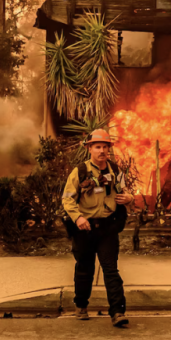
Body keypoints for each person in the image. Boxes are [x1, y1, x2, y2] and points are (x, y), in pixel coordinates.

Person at [62, 129, 134, 327]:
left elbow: (125, 191)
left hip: (107, 228)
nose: (102, 150)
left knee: (111, 270)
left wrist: (129, 198)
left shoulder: (115, 171)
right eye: (98, 147)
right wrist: (77, 218)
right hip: (84, 229)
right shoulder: (80, 172)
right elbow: (67, 200)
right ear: (89, 149)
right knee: (84, 269)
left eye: (105, 147)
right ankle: (81, 306)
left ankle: (117, 312)